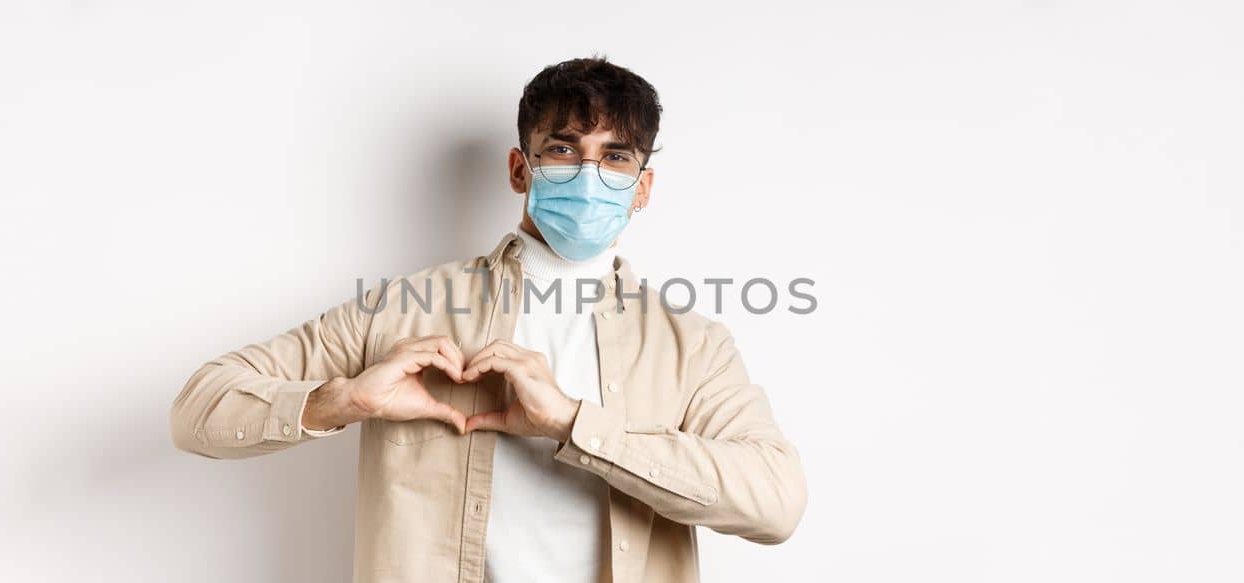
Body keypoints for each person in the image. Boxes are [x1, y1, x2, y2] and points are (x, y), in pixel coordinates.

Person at [169, 56, 806, 583]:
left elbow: (777, 505)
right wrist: (344, 401)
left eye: (616, 157)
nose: (589, 174)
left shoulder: (693, 347)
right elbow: (198, 410)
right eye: (563, 150)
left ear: (642, 187)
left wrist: (573, 423)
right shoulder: (402, 307)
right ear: (518, 169)